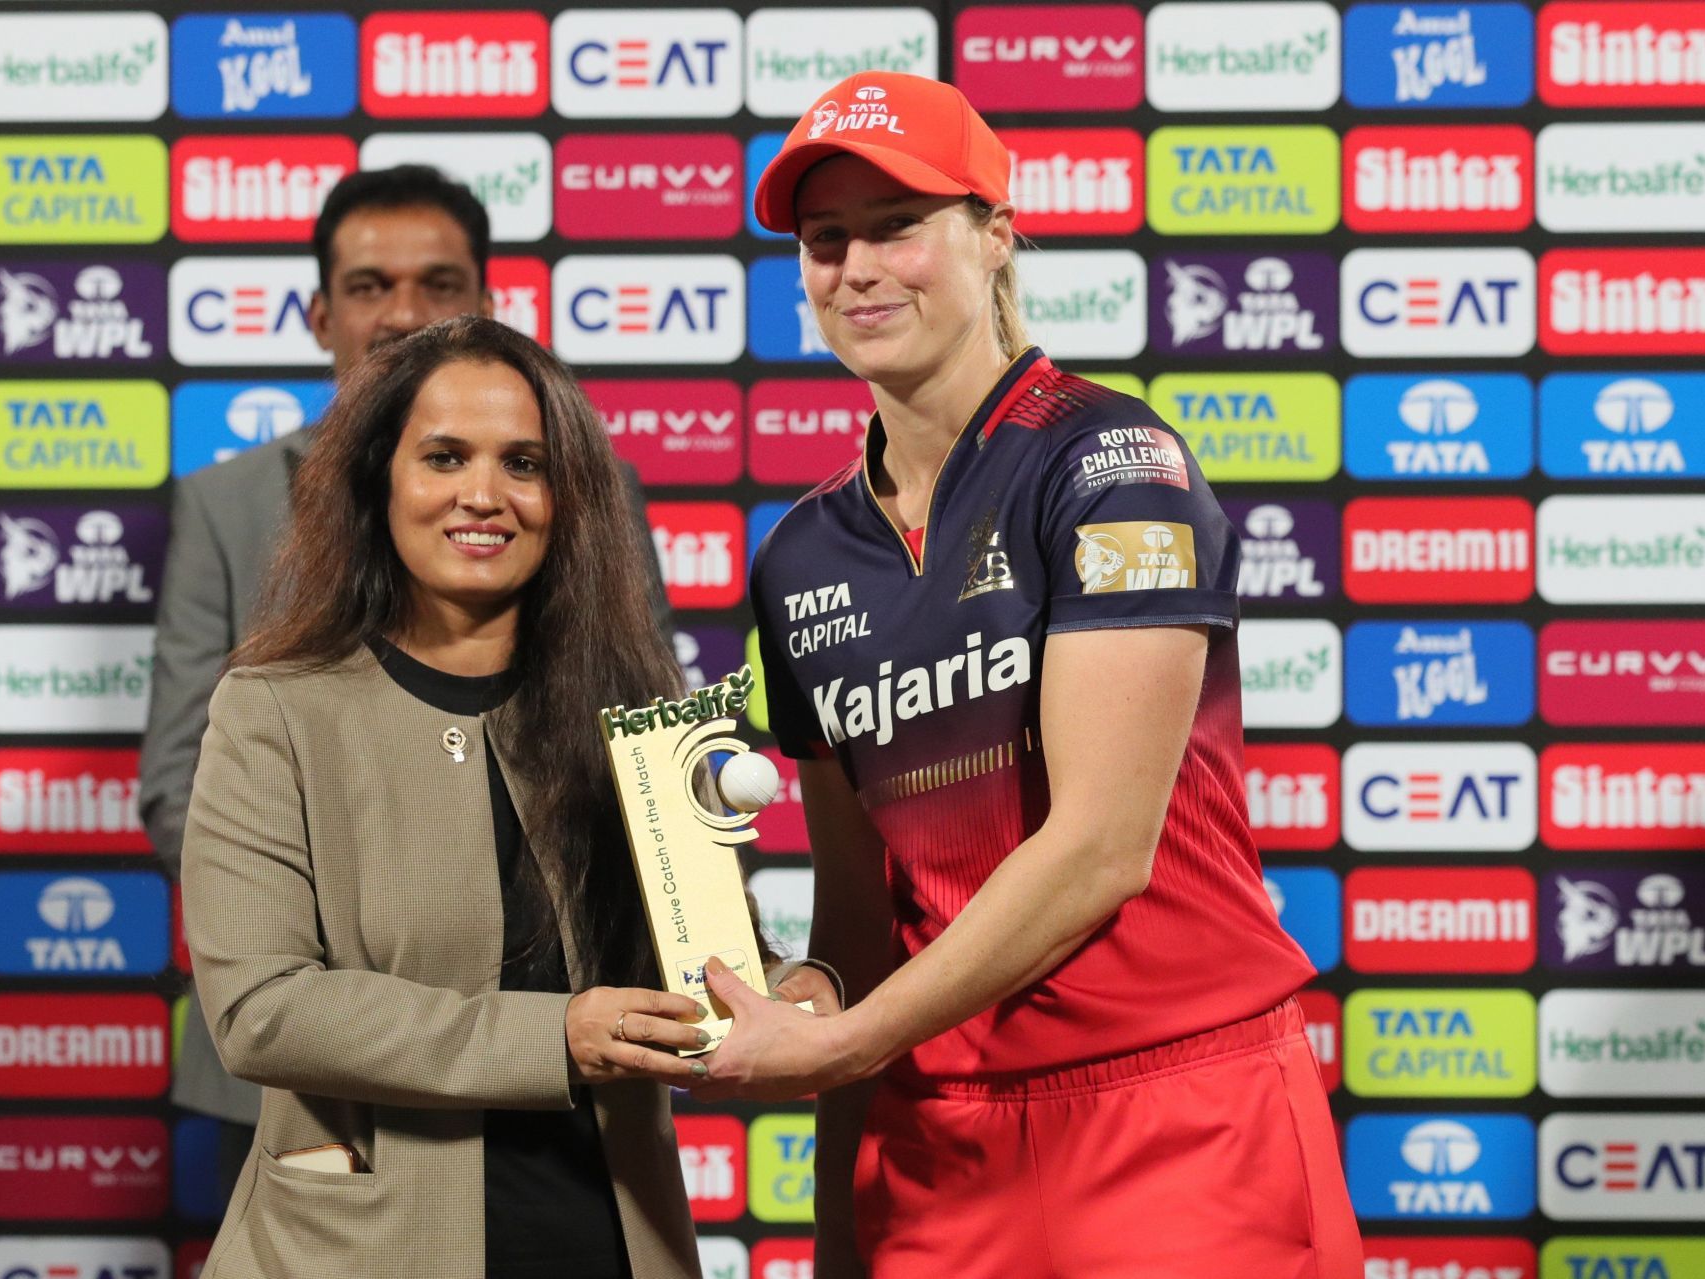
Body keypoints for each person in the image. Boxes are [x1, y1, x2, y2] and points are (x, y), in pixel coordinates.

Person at [706, 74, 1362, 1278]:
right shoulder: (801, 554)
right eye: (825, 239)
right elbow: (860, 913)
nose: (857, 267)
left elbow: (1101, 848)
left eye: (897, 224)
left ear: (996, 235)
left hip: (1178, 1108)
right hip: (937, 1139)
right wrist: (820, 1046)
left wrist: (844, 1044)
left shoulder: (1114, 461)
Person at [181, 316, 836, 1279]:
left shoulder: (639, 711)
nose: (483, 495)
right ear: (381, 481)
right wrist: (555, 1037)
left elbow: (699, 958)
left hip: (609, 1241)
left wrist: (787, 992)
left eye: (523, 463)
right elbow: (261, 1007)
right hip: (361, 1251)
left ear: (567, 497)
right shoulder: (275, 709)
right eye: (444, 457)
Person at [140, 164, 670, 1199]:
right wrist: (321, 928)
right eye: (371, 286)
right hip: (310, 1087)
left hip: (576, 1104)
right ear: (320, 311)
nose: (405, 314)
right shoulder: (225, 507)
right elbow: (178, 781)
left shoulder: (593, 498)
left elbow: (646, 757)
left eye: (438, 284)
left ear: (485, 305)